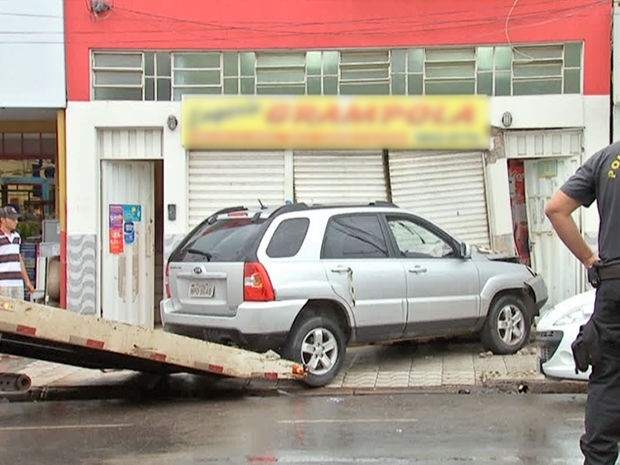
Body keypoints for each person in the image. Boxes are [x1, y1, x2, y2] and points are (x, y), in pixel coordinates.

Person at [545, 141, 620, 465]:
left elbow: (555, 208)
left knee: (608, 379)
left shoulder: (607, 158)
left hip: (614, 288)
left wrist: (591, 259)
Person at [0, 205, 35, 300]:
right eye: (12, 219)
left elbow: (19, 259)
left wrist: (27, 282)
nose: (16, 221)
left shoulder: (17, 237)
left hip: (17, 283)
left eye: (16, 219)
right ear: (3, 220)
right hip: (3, 284)